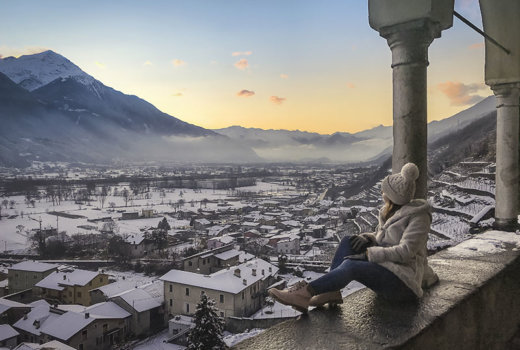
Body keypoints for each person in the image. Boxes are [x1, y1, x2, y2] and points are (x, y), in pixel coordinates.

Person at [268, 162, 439, 313]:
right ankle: (331, 292)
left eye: (384, 190)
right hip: (388, 268)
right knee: (348, 241)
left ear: (392, 196)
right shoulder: (391, 212)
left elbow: (406, 251)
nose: (381, 193)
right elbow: (385, 238)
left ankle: (305, 294)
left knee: (351, 266)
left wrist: (368, 255)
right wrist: (369, 238)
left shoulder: (419, 217)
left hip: (404, 282)